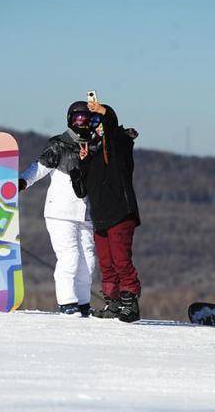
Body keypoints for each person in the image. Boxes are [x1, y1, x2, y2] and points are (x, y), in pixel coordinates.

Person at [18, 101, 96, 317]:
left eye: (85, 118)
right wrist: (23, 182)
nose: (81, 122)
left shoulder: (95, 146)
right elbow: (39, 168)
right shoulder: (60, 146)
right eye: (77, 118)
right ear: (70, 119)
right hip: (61, 211)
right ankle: (67, 302)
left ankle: (83, 303)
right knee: (69, 256)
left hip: (87, 213)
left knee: (88, 260)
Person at [75, 99, 141, 323]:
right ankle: (113, 303)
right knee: (106, 262)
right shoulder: (92, 156)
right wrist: (83, 163)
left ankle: (130, 303)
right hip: (102, 216)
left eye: (99, 124)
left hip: (121, 213)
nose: (97, 130)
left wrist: (104, 111)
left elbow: (112, 129)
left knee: (121, 260)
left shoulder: (118, 146)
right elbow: (83, 188)